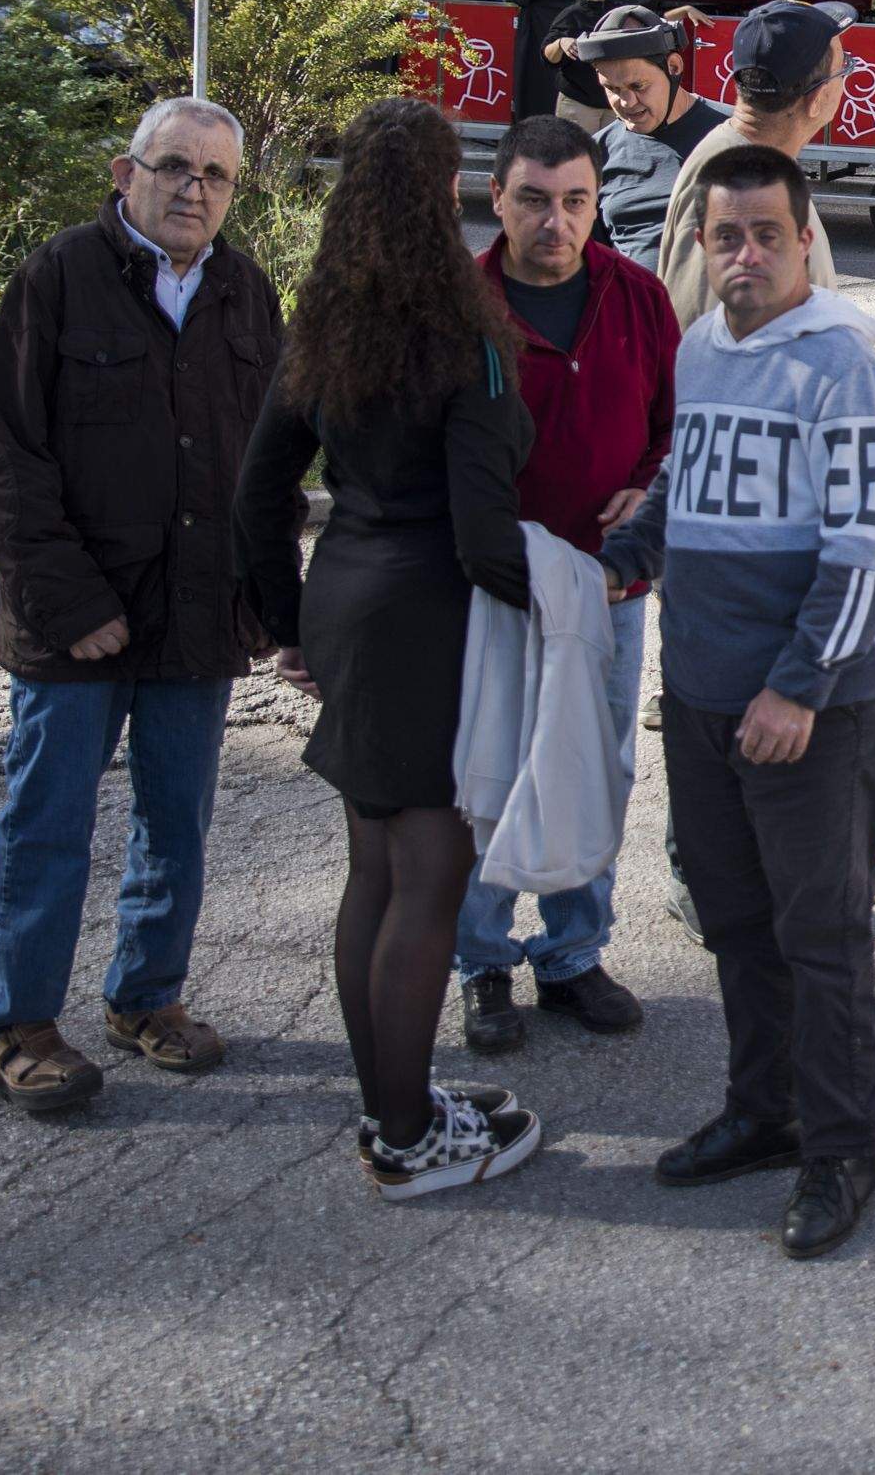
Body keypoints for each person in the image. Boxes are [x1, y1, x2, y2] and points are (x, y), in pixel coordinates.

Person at [234, 98, 545, 1200]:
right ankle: (409, 1139)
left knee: (374, 872)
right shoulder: (462, 329)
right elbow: (477, 522)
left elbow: (258, 488)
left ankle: (392, 1110)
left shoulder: (322, 324)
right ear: (441, 193)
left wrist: (287, 620)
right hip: (429, 613)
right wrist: (559, 605)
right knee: (429, 879)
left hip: (348, 599)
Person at [601, 145, 875, 1259]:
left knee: (819, 934)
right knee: (735, 921)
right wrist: (626, 555)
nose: (745, 255)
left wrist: (796, 689)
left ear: (805, 239)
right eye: (725, 236)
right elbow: (687, 480)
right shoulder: (704, 347)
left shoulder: (842, 366)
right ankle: (763, 1111)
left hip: (810, 710)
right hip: (701, 696)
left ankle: (840, 1148)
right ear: (699, 243)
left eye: (767, 234)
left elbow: (862, 554)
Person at [0, 95, 284, 1114]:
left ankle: (146, 998)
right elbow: (7, 455)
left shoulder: (247, 293)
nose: (193, 188)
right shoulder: (59, 275)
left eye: (215, 175)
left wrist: (274, 601)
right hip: (77, 621)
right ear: (124, 171)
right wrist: (68, 603)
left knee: (176, 821)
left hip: (198, 612)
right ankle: (18, 1024)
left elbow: (271, 462)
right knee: (47, 821)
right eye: (173, 166)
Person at [454, 114, 679, 1053]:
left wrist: (649, 484)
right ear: (496, 198)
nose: (557, 221)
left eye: (576, 201)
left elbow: (678, 429)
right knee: (493, 772)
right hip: (492, 588)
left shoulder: (638, 297)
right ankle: (483, 963)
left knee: (596, 767)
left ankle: (574, 953)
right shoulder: (459, 309)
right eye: (535, 200)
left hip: (607, 588)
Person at [657, 0, 853, 325]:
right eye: (844, 67)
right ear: (817, 100)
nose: (846, 78)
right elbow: (703, 344)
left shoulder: (753, 168)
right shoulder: (738, 192)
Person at [580, 8, 723, 269]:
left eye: (638, 86)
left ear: (674, 67)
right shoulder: (596, 153)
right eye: (611, 89)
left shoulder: (735, 135)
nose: (626, 102)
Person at [540, 0, 624, 131]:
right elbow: (547, 56)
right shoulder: (572, 15)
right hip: (579, 103)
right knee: (575, 155)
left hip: (613, 102)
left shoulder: (620, 12)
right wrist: (561, 42)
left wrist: (684, 10)